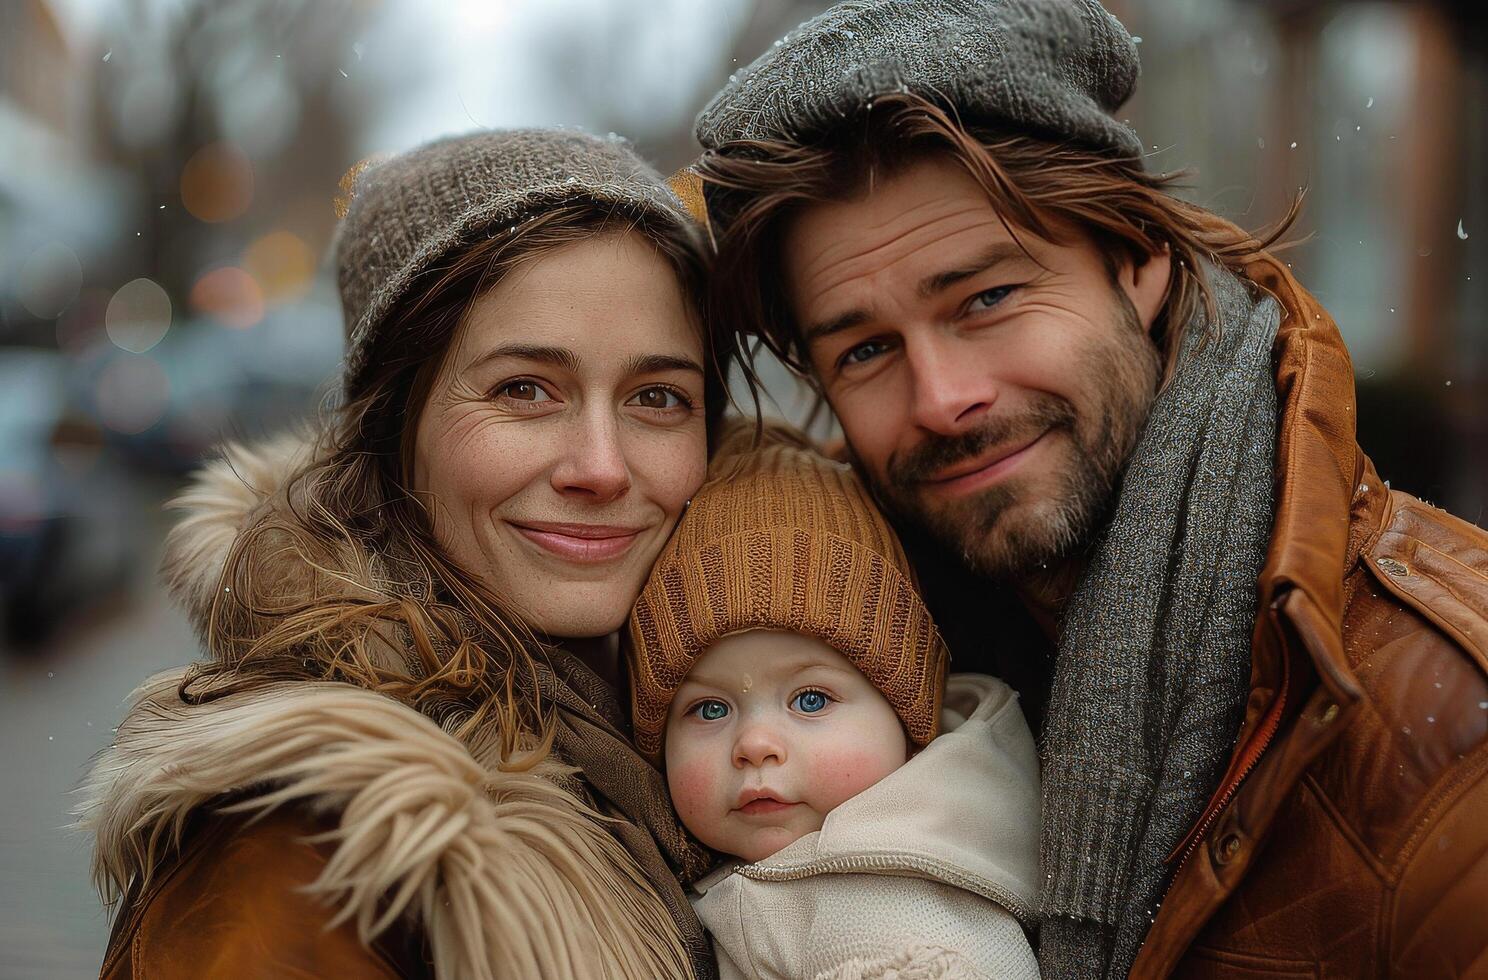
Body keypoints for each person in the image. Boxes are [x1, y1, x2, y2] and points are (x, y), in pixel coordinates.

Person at [688, 1, 1488, 978]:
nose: (942, 398)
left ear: (1138, 258)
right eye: (865, 348)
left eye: (986, 297)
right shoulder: (852, 650)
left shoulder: (1448, 726)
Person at [79, 129, 725, 979]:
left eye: (657, 397)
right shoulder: (301, 855)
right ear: (392, 430)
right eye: (523, 389)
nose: (602, 467)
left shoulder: (731, 724)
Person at [626, 425, 1041, 979]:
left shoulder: (903, 918)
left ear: (906, 718)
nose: (755, 745)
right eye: (710, 709)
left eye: (812, 699)